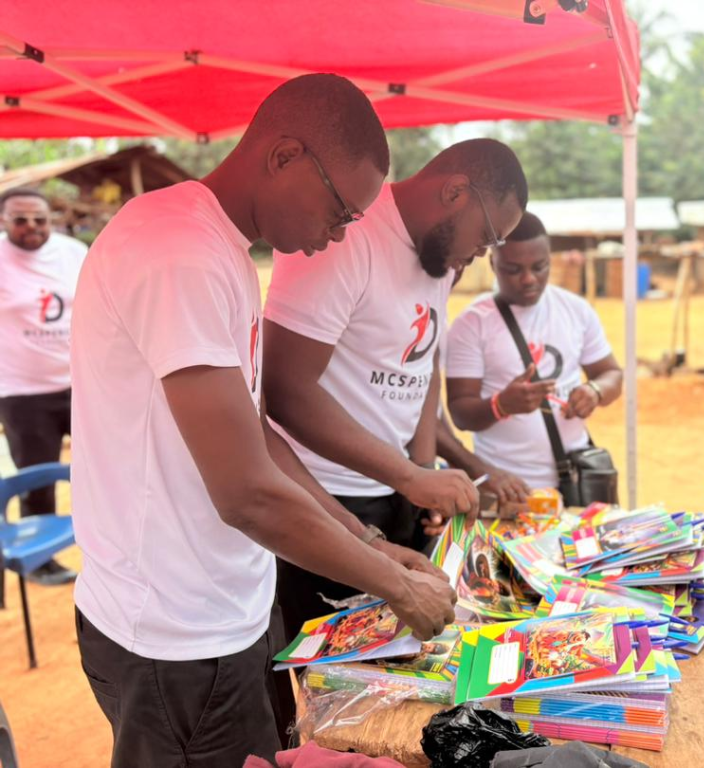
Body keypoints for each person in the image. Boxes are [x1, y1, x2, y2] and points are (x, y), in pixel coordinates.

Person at [70, 74, 456, 768]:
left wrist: (364, 538)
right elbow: (245, 491)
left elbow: (258, 438)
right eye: (340, 211)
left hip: (226, 611)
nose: (338, 233)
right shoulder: (178, 252)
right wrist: (394, 586)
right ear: (284, 156)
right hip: (178, 639)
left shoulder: (220, 252)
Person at [262, 138, 527, 637]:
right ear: (455, 192)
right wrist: (409, 474)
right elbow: (283, 391)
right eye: (488, 237)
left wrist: (422, 473)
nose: (481, 255)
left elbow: (421, 367)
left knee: (396, 669)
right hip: (326, 504)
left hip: (397, 491)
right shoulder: (345, 237)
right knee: (328, 682)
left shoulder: (440, 257)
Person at [446, 211, 623, 491]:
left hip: (576, 482)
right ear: (494, 264)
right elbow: (460, 414)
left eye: (539, 267)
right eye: (514, 269)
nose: (528, 279)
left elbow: (611, 374)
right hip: (509, 488)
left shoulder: (575, 310)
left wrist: (595, 391)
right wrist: (500, 404)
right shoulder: (472, 324)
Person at [0, 188, 86, 585]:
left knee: (99, 463)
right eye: (20, 219)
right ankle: (41, 559)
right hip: (22, 391)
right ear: (4, 221)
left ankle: (108, 541)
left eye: (39, 219)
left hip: (80, 381)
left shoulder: (73, 252)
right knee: (37, 473)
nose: (31, 227)